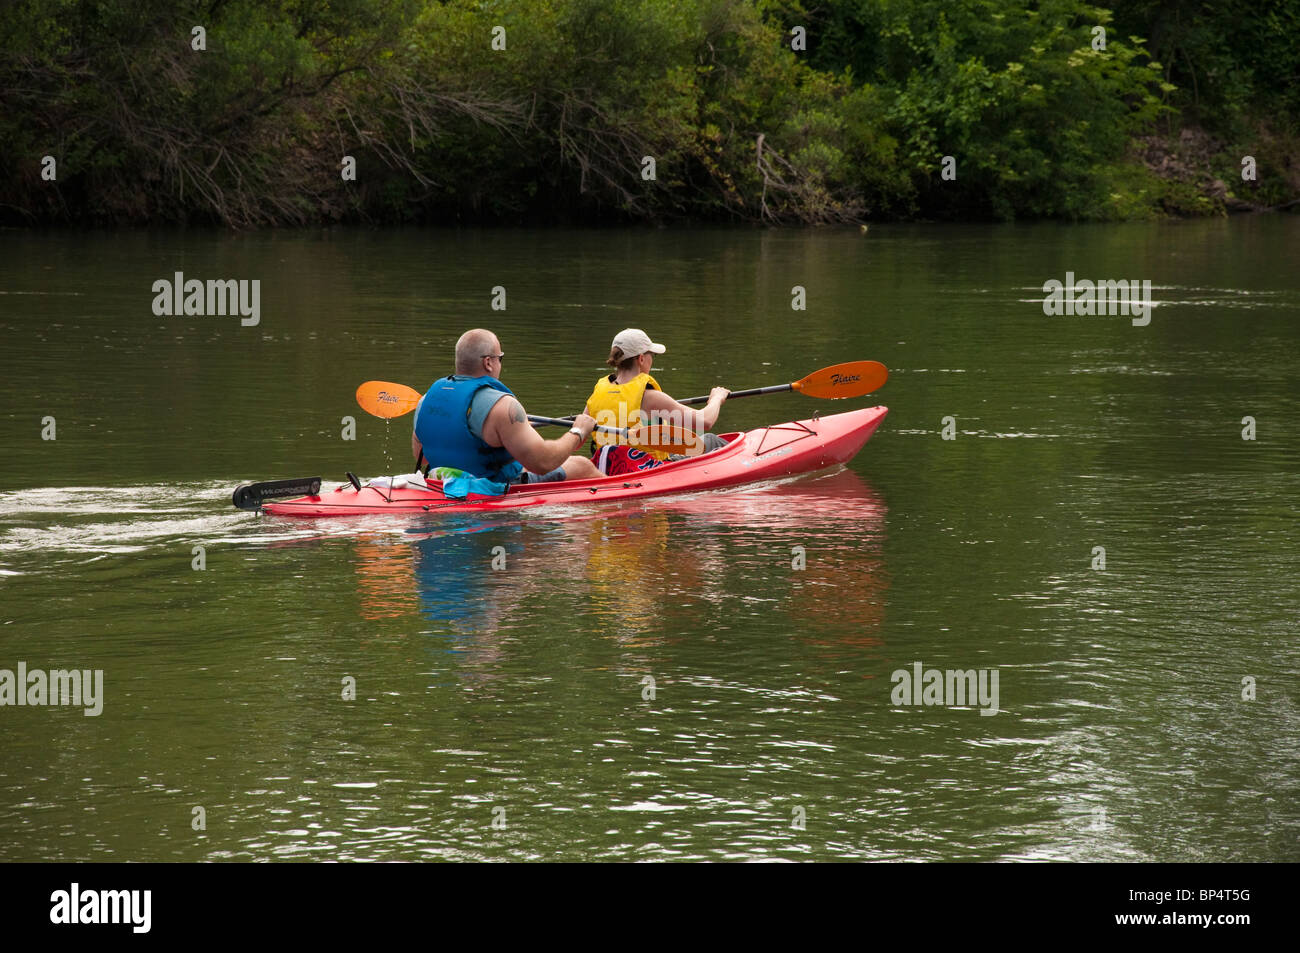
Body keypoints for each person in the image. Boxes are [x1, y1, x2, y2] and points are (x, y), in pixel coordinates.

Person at [412, 329, 603, 485]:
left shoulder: (426, 400)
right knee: (582, 465)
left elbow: (422, 456)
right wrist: (579, 430)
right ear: (488, 362)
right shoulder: (504, 407)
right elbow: (543, 462)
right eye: (499, 358)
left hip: (441, 482)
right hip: (491, 486)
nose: (500, 363)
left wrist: (508, 434)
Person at [583, 328, 729, 476]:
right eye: (651, 355)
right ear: (641, 359)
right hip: (648, 471)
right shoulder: (650, 397)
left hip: (608, 468)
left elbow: (578, 441)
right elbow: (704, 422)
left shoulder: (598, 393)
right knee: (711, 440)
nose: (652, 359)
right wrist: (716, 398)